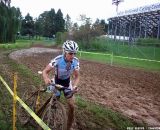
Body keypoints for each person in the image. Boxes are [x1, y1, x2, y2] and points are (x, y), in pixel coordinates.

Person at [42, 40, 80, 130]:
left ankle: (68, 127)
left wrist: (75, 86)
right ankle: (51, 116)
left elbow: (77, 76)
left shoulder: (75, 61)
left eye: (74, 53)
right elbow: (45, 71)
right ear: (64, 52)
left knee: (71, 106)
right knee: (54, 102)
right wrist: (46, 79)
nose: (73, 56)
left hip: (67, 83)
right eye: (70, 53)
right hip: (56, 82)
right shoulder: (58, 59)